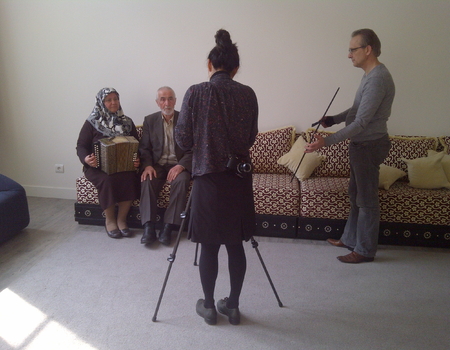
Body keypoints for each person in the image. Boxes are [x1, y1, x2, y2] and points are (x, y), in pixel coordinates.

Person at [175, 29, 258, 325]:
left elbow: (183, 139)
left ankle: (209, 306)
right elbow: (249, 138)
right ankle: (233, 305)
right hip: (238, 179)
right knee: (235, 243)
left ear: (209, 64)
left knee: (209, 244)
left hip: (208, 182)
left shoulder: (195, 92)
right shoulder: (248, 94)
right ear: (236, 68)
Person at [305, 28, 395, 263]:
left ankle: (364, 251)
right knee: (355, 195)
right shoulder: (369, 76)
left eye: (353, 49)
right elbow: (357, 110)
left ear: (368, 49)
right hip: (362, 145)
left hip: (369, 145)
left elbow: (361, 122)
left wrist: (327, 141)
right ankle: (350, 239)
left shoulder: (378, 79)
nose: (349, 55)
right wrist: (333, 119)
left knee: (366, 201)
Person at [77, 87, 140, 239]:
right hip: (97, 168)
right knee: (107, 180)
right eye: (109, 100)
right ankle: (110, 220)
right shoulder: (92, 123)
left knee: (131, 177)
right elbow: (81, 146)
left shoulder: (127, 122)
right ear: (101, 102)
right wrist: (86, 159)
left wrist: (137, 159)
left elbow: (138, 145)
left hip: (123, 166)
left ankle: (121, 219)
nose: (113, 102)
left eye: (116, 99)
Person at [139, 87, 192, 246]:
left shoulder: (186, 119)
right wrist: (147, 166)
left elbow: (193, 148)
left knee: (181, 181)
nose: (167, 103)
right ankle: (149, 227)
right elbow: (144, 148)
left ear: (175, 101)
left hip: (179, 164)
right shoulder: (150, 120)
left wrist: (181, 165)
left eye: (170, 98)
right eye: (163, 99)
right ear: (157, 102)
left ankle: (168, 227)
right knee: (146, 180)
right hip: (157, 165)